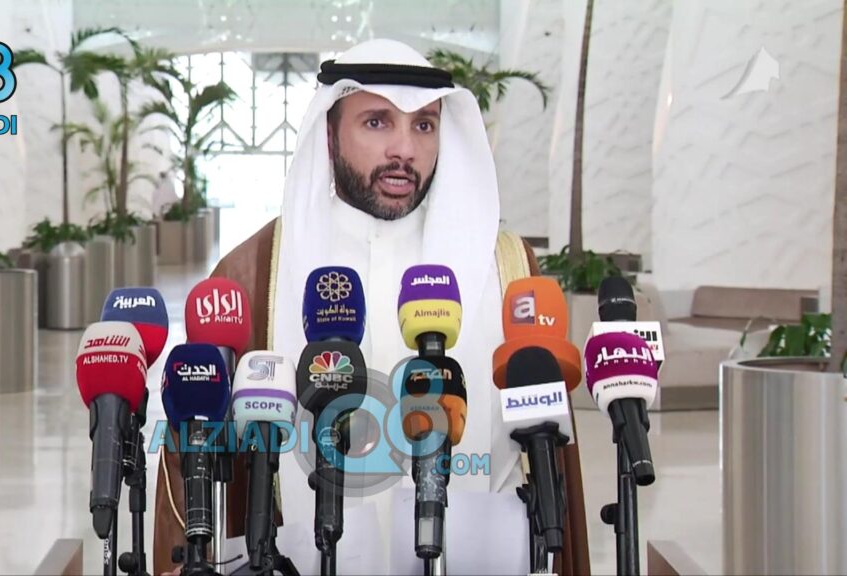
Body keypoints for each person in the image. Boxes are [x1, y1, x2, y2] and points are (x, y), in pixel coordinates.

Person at [154, 39, 590, 575]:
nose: (404, 148)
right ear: (330, 131)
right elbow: (193, 450)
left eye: (424, 125)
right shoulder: (255, 270)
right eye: (378, 122)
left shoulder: (507, 266)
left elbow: (550, 459)